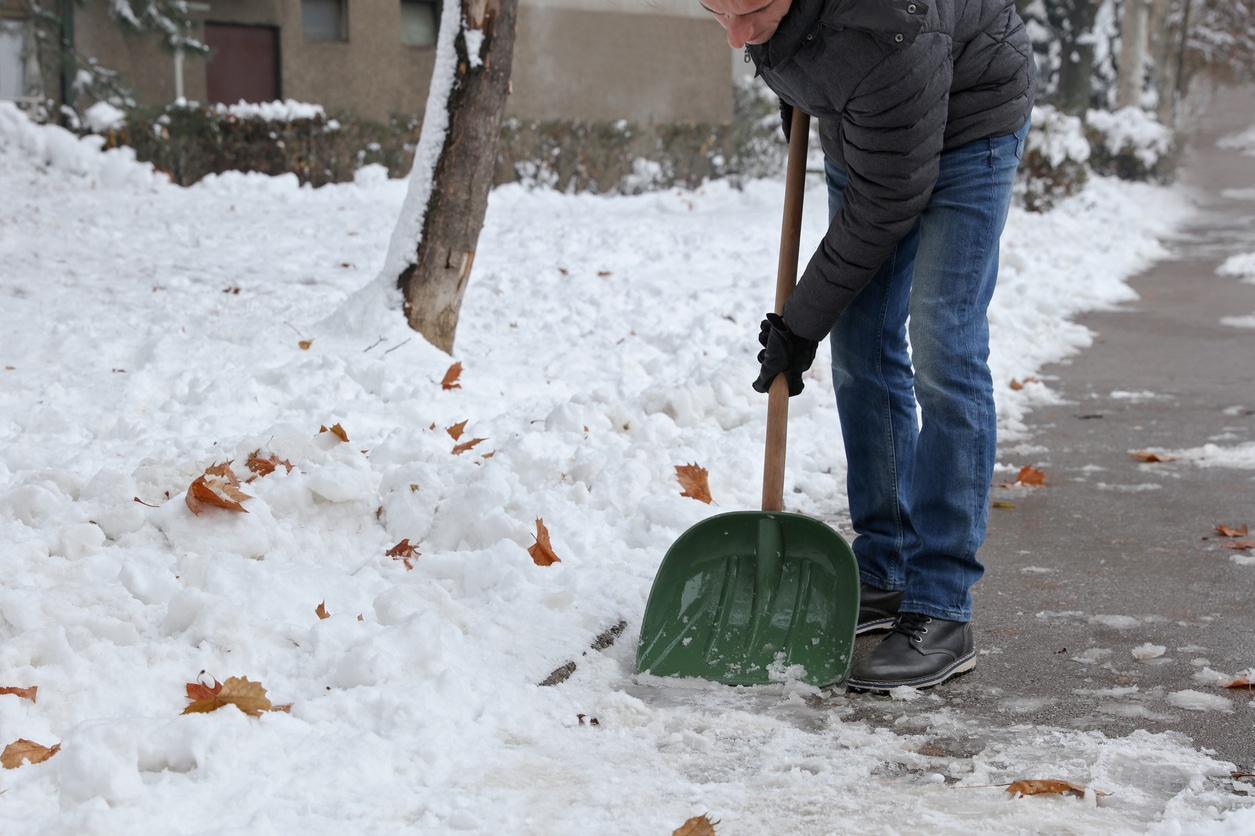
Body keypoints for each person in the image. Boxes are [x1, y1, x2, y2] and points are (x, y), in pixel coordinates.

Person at [704, 0, 1036, 691]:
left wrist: (797, 324)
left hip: (967, 122)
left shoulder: (889, 21)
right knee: (860, 347)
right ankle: (883, 567)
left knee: (943, 344)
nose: (734, 31)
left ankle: (941, 605)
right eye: (716, 10)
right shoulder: (776, 18)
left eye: (751, 10)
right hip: (873, 120)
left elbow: (884, 204)